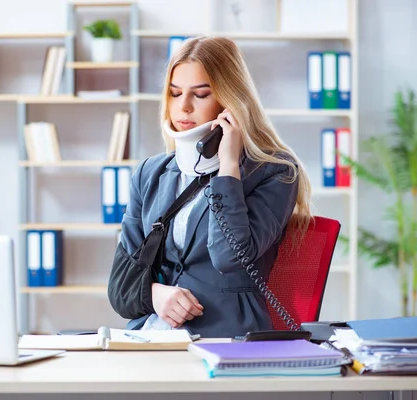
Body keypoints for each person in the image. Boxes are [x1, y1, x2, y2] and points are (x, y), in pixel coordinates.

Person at [108, 36, 313, 339]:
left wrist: (228, 170)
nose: (184, 107)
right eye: (175, 94)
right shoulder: (150, 174)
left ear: (230, 101)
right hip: (152, 336)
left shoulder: (276, 172)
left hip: (224, 338)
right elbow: (119, 286)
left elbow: (228, 256)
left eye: (201, 94)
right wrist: (153, 295)